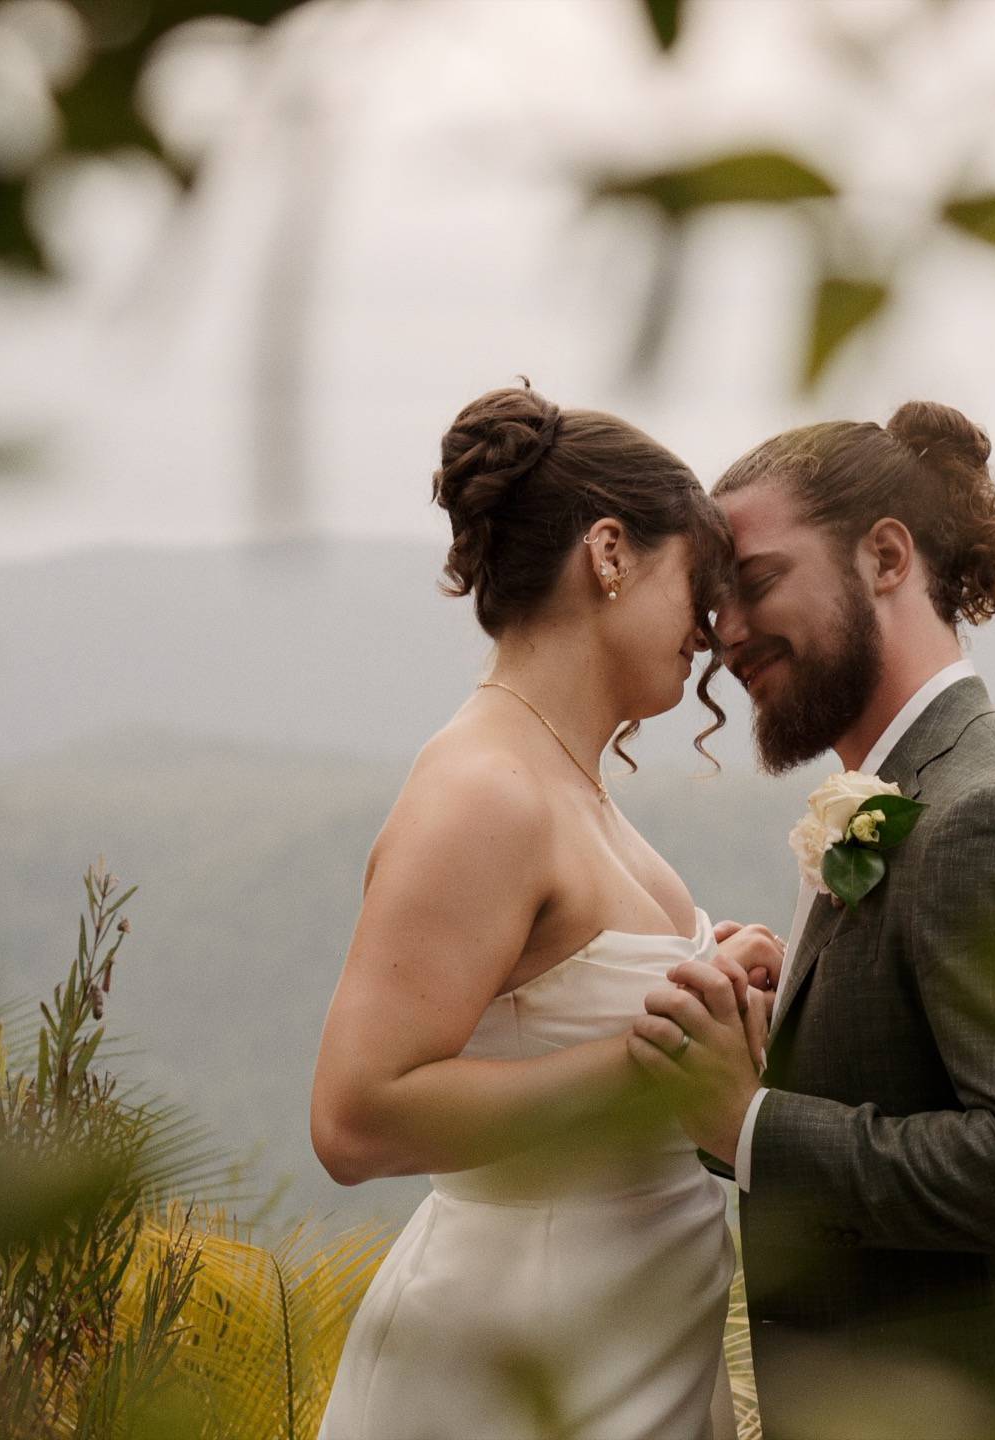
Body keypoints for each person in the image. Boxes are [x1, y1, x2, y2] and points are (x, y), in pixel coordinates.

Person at [628, 402, 995, 1437]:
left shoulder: (994, 814)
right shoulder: (916, 789)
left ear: (886, 557)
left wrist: (749, 1125)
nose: (728, 634)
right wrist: (774, 1031)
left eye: (758, 580)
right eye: (715, 604)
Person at [310, 383, 779, 1440]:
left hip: (627, 1347)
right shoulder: (485, 790)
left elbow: (569, 997)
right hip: (515, 1363)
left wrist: (717, 976)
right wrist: (650, 1066)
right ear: (609, 553)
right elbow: (353, 1117)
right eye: (696, 583)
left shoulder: (568, 777)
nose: (710, 629)